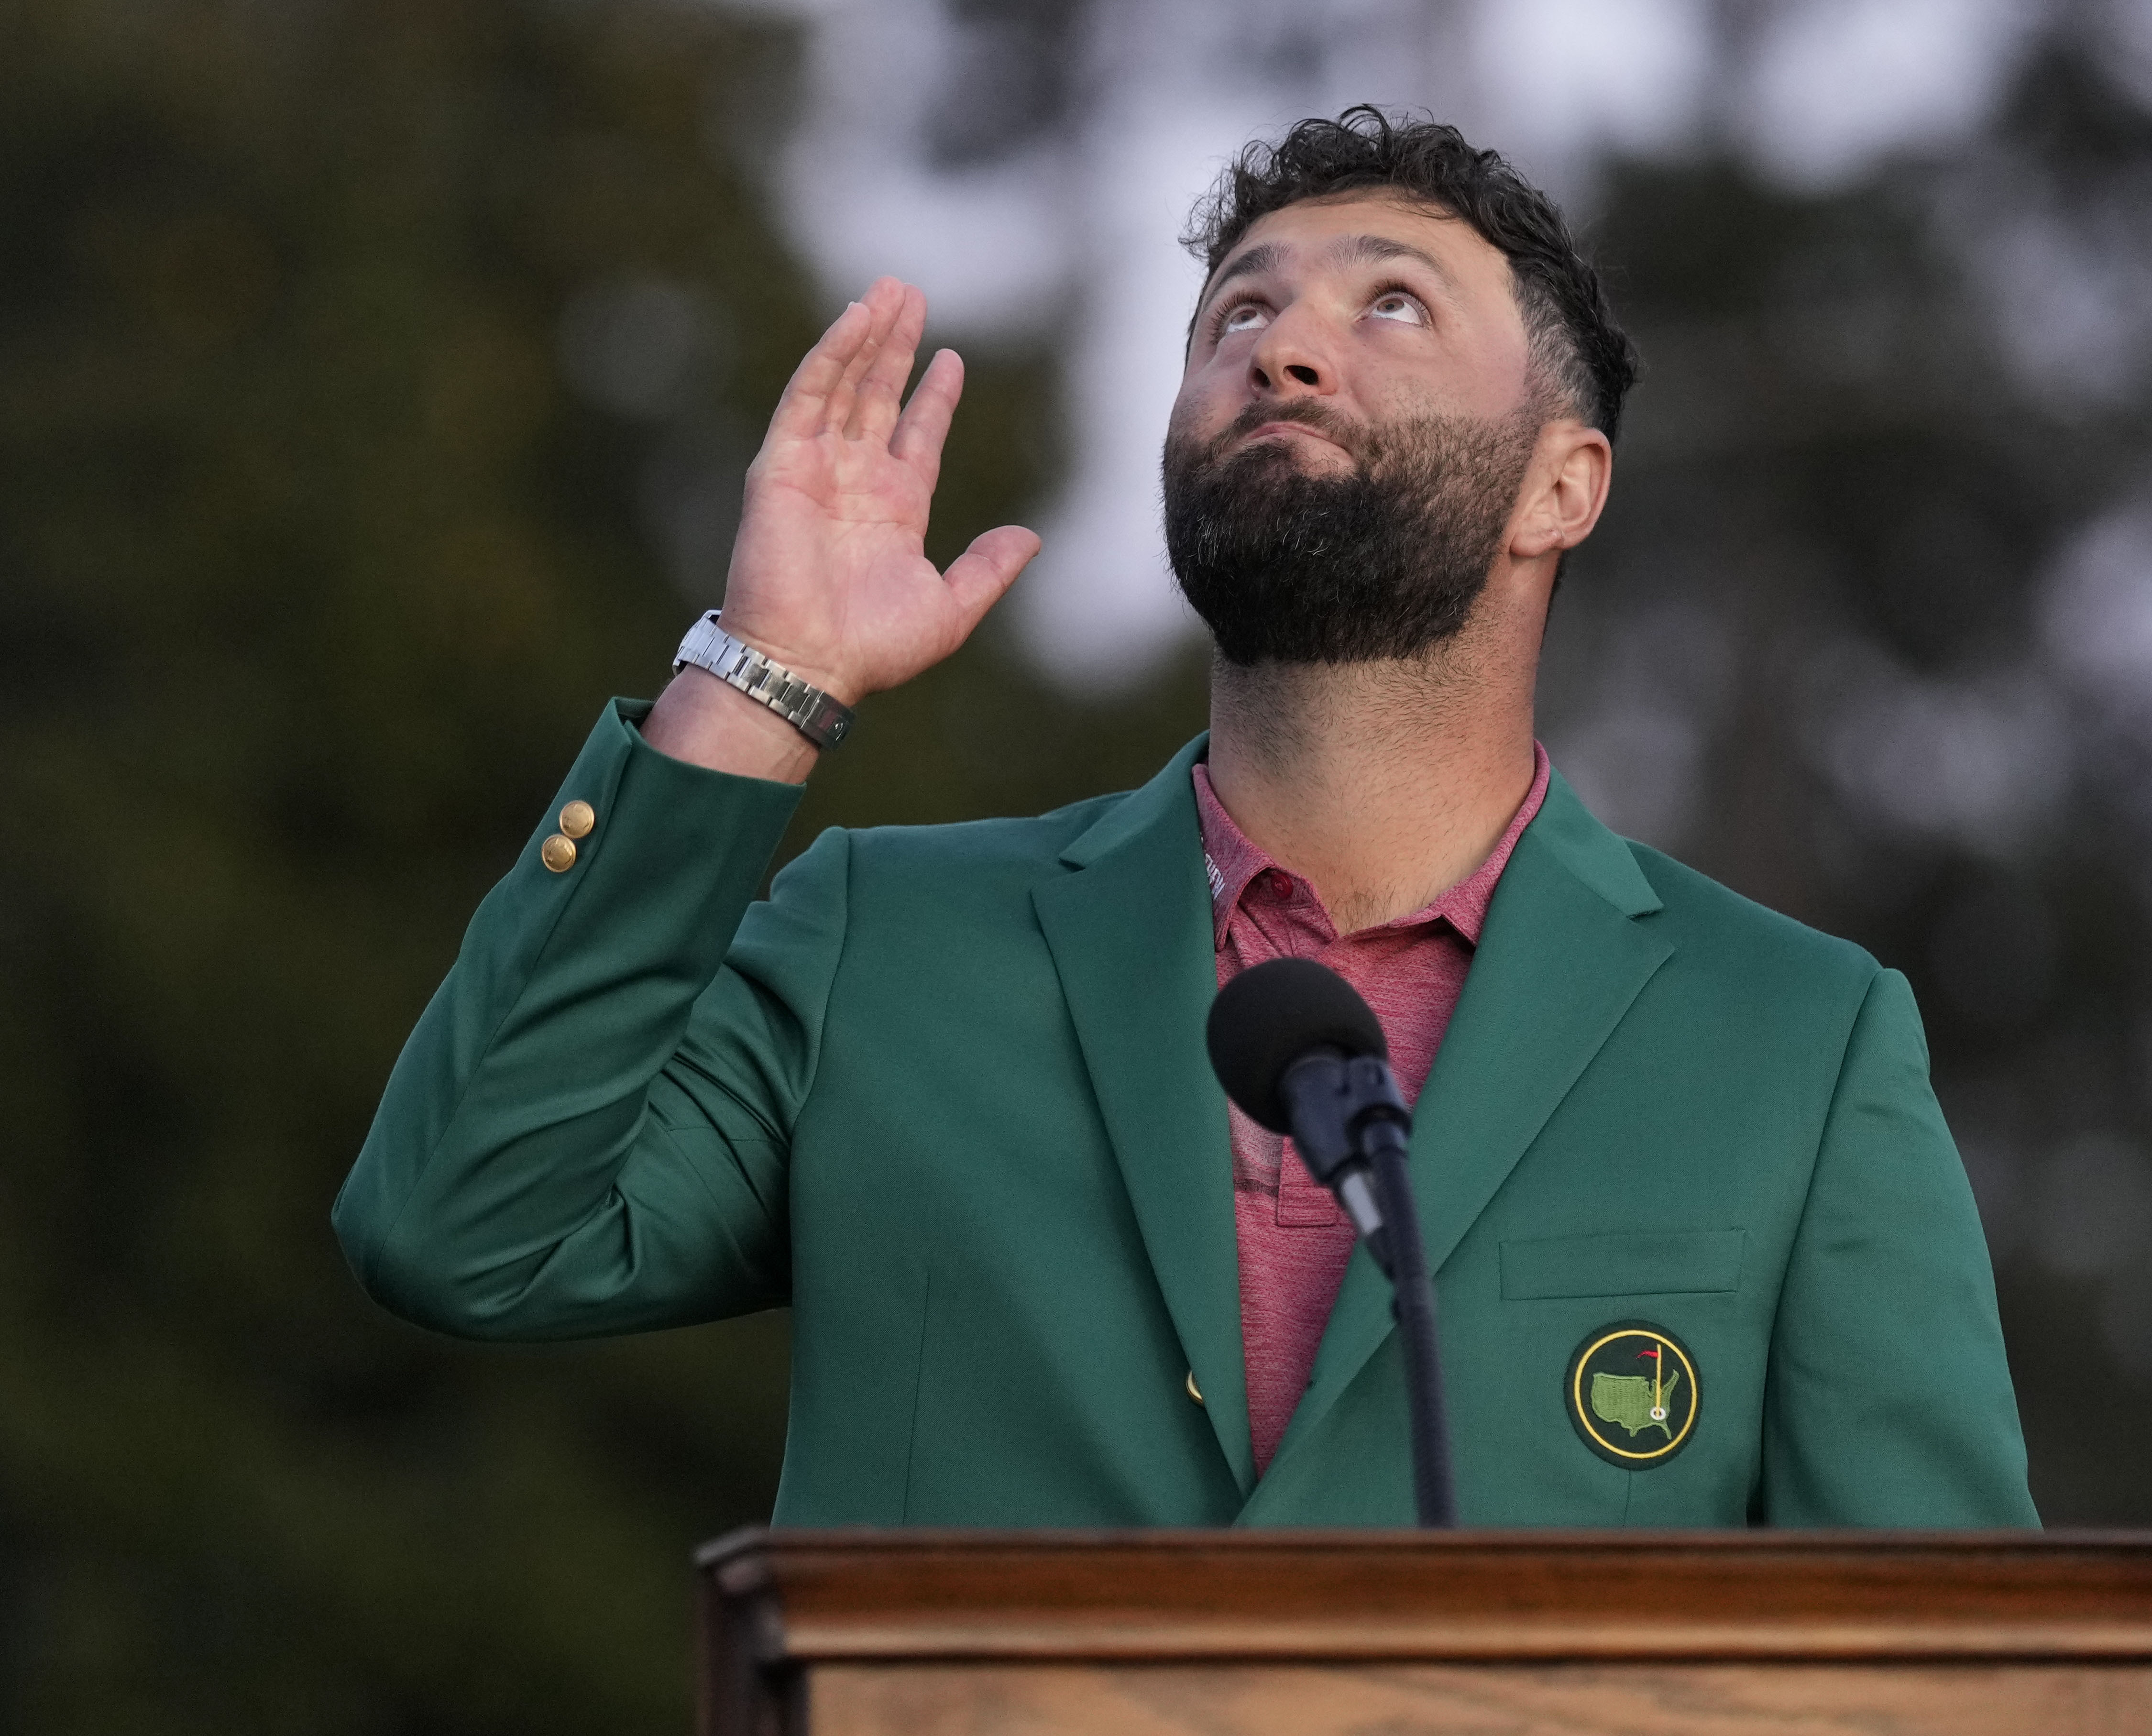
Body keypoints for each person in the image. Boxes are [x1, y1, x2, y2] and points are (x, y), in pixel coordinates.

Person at [333, 109, 2036, 1528]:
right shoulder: (887, 944)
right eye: (1239, 312)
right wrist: (762, 674)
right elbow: (468, 1227)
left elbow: (1960, 1684)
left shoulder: (1793, 1048)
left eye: (1391, 308)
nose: (1282, 345)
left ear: (1561, 486)